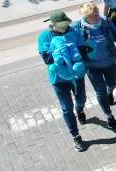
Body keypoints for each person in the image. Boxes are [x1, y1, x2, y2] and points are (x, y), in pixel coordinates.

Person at [38, 10, 90, 151]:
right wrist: (61, 54)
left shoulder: (73, 31)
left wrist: (79, 57)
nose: (66, 26)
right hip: (59, 79)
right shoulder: (44, 37)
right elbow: (47, 59)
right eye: (63, 24)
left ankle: (80, 109)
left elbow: (83, 50)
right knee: (67, 108)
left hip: (77, 75)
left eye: (67, 23)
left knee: (82, 99)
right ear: (53, 25)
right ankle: (76, 136)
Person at [72, 2, 116, 128]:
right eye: (92, 16)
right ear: (85, 17)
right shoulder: (77, 26)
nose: (95, 18)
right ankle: (109, 115)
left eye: (96, 14)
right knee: (100, 91)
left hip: (108, 61)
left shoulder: (105, 21)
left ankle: (110, 92)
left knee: (113, 83)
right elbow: (71, 44)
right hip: (91, 66)